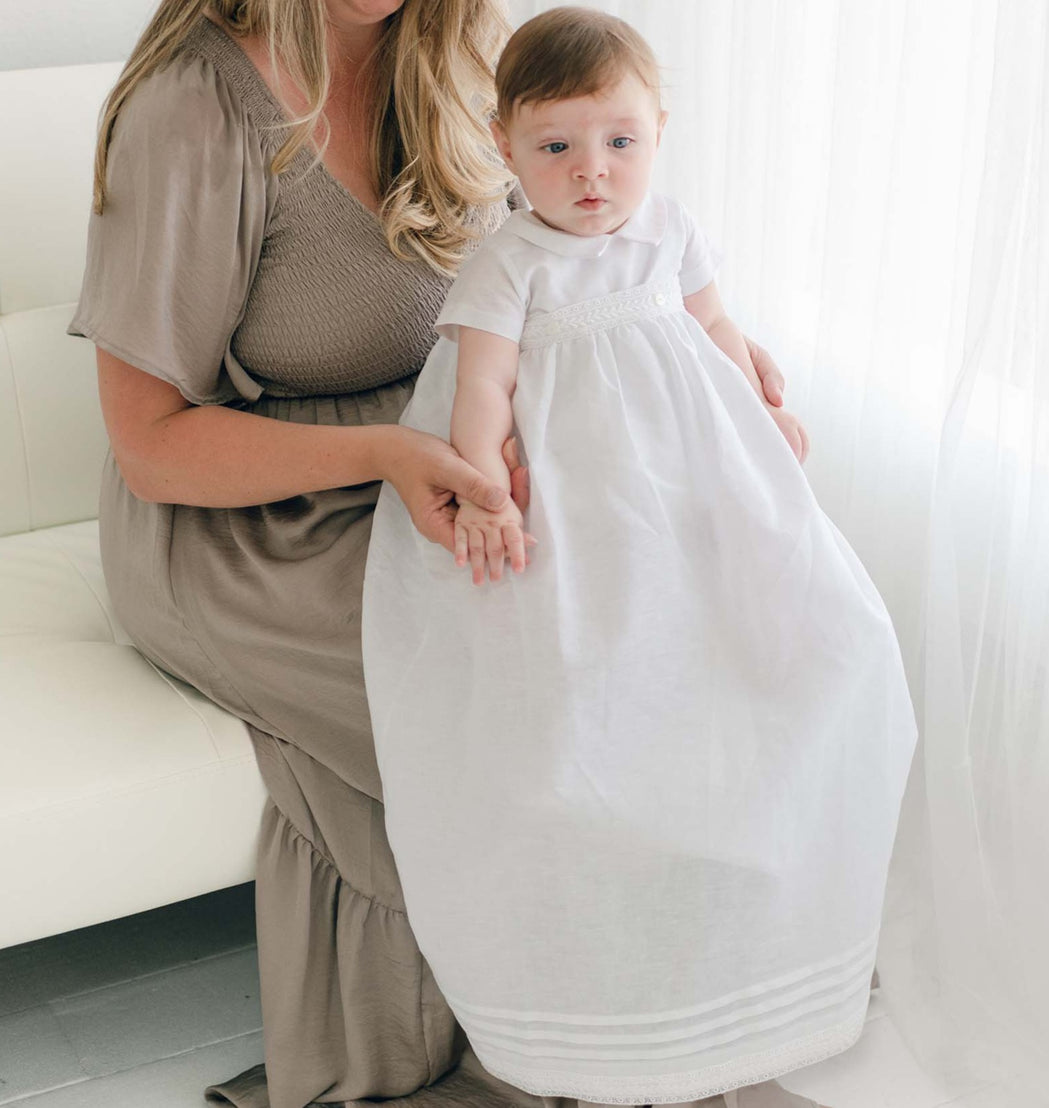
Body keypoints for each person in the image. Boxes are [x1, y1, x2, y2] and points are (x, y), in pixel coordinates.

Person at [67, 2, 794, 1107]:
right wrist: (391, 453)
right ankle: (535, 1052)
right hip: (242, 523)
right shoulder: (194, 111)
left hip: (440, 474)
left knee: (645, 644)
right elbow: (152, 446)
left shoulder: (467, 72)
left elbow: (567, 273)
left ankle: (640, 1023)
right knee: (500, 704)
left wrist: (711, 351)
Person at [361, 8, 919, 1108]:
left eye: (618, 141)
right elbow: (480, 390)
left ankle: (768, 941)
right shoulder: (509, 262)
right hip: (577, 498)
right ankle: (602, 1000)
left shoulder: (669, 229)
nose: (590, 173)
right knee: (595, 674)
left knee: (819, 643)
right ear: (504, 142)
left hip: (689, 478)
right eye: (555, 146)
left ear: (658, 132)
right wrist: (480, 490)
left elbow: (715, 332)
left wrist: (760, 403)